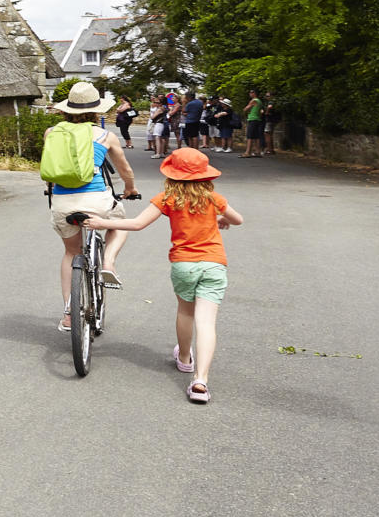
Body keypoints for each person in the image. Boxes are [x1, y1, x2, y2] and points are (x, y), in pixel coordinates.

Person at [81, 147, 245, 404]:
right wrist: (221, 218)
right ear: (205, 176)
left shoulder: (167, 198)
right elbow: (238, 220)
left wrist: (102, 224)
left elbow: (136, 224)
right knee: (206, 322)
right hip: (214, 264)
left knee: (186, 312)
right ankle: (200, 381)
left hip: (184, 265)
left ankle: (184, 359)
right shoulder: (214, 199)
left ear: (172, 174)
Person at [46, 81, 141, 332]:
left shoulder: (51, 133)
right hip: (97, 200)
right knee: (120, 223)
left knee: (71, 253)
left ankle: (68, 313)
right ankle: (108, 262)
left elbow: (50, 168)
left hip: (62, 202)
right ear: (97, 111)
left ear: (67, 110)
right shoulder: (105, 136)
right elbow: (125, 170)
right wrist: (130, 189)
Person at [243, 90, 265, 157]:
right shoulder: (260, 101)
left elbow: (245, 109)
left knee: (250, 136)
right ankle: (258, 151)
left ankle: (248, 152)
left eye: (251, 92)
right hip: (257, 119)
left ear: (254, 93)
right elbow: (261, 111)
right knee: (256, 136)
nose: (250, 94)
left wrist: (247, 110)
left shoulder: (254, 100)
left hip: (252, 119)